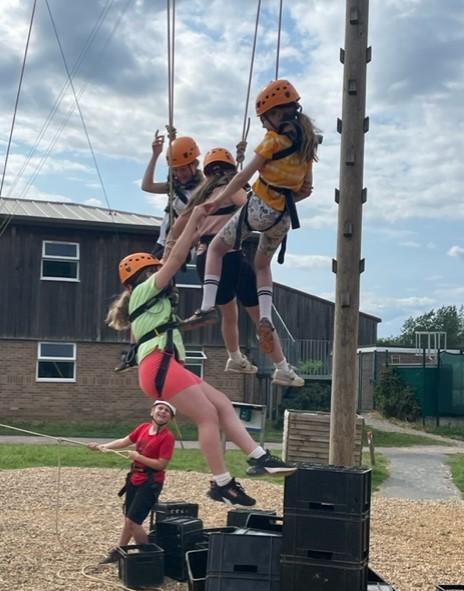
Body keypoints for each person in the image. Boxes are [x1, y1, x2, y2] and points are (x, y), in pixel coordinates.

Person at [105, 205, 296, 508]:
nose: (159, 274)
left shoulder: (149, 304)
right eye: (152, 271)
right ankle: (222, 482)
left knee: (221, 403)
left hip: (163, 365)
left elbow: (162, 326)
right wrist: (194, 220)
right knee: (207, 415)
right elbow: (175, 257)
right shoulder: (145, 290)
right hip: (159, 365)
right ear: (140, 279)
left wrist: (190, 323)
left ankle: (259, 457)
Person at [192, 79, 319, 360]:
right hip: (282, 218)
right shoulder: (307, 149)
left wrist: (217, 201)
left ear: (276, 114)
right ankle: (265, 317)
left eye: (263, 119)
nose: (262, 125)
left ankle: (207, 306)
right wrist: (282, 201)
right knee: (262, 265)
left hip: (258, 209)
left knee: (216, 249)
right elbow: (305, 190)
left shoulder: (272, 141)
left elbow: (242, 177)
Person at [164, 146, 303, 386]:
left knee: (229, 314)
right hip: (230, 255)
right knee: (259, 317)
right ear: (230, 170)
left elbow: (177, 229)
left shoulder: (200, 196)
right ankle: (282, 367)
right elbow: (247, 206)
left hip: (205, 260)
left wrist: (172, 250)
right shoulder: (232, 188)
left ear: (207, 173)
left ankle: (235, 356)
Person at [88, 399, 176, 564]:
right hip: (135, 478)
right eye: (160, 408)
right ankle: (120, 551)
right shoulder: (143, 428)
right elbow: (124, 441)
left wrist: (138, 457)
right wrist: (102, 447)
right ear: (152, 412)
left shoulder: (168, 437)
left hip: (151, 483)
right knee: (129, 518)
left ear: (170, 418)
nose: (163, 412)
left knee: (134, 522)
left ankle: (149, 558)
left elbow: (161, 464)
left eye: (167, 411)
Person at [141, 132, 204, 258]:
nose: (179, 174)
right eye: (175, 170)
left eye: (183, 169)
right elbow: (147, 186)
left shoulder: (202, 190)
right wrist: (155, 155)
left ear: (194, 165)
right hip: (163, 243)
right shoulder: (174, 187)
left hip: (182, 245)